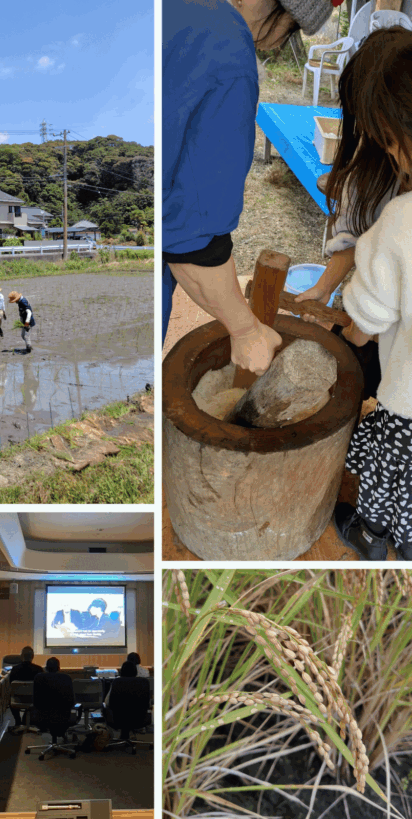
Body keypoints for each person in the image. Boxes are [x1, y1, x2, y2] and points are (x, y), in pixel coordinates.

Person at [162, 0, 331, 371]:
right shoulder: (227, 49)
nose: (271, 47)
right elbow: (191, 234)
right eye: (290, 32)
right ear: (283, 12)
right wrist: (245, 332)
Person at [329, 52, 412, 559]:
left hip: (407, 406)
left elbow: (366, 322)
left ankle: (372, 534)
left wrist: (347, 331)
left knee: (388, 481)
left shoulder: (402, 222)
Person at [33, 657, 77, 743]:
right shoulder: (66, 678)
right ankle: (62, 734)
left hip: (42, 717)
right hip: (64, 717)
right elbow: (72, 702)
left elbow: (35, 702)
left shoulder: (39, 678)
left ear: (46, 668)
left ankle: (56, 738)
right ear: (59, 668)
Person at [9, 647, 44, 731]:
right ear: (32, 656)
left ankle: (18, 722)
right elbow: (42, 687)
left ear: (21, 656)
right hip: (34, 700)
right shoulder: (39, 670)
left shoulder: (15, 669)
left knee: (9, 697)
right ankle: (26, 721)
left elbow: (10, 686)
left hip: (17, 700)